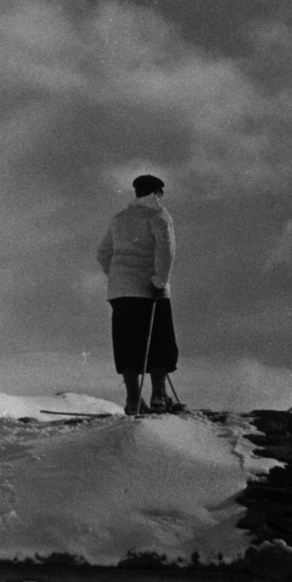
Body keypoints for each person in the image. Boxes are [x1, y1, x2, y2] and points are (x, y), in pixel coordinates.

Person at [96, 174, 179, 415]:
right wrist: (159, 281)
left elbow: (102, 253)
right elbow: (166, 251)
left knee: (127, 343)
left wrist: (117, 276)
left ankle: (133, 400)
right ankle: (158, 397)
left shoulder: (120, 218)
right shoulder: (158, 215)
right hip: (150, 289)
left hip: (120, 292)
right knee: (159, 341)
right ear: (157, 192)